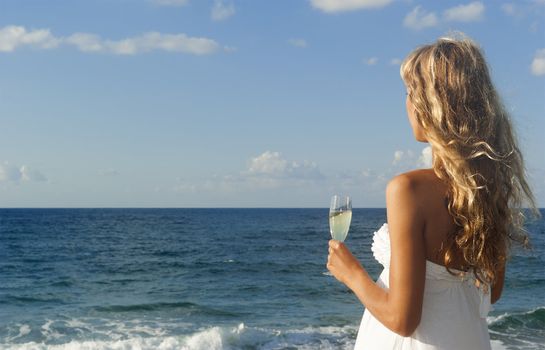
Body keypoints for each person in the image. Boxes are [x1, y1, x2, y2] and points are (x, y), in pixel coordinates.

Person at [326, 33, 539, 350]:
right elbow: (491, 293)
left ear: (434, 105)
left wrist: (351, 273)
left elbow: (403, 320)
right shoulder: (491, 189)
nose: (407, 103)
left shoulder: (408, 189)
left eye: (412, 91)